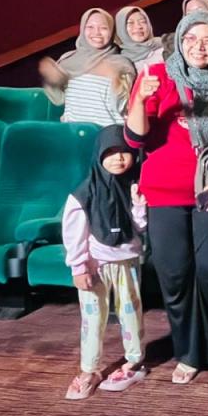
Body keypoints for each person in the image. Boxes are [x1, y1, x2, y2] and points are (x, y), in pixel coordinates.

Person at [124, 9, 208, 384]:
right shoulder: (157, 76)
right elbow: (135, 139)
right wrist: (140, 99)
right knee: (175, 274)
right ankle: (189, 352)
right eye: (191, 39)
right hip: (164, 191)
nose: (199, 46)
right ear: (179, 42)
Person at [62, 125, 149, 400]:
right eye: (110, 153)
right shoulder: (83, 193)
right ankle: (89, 369)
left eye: (124, 152)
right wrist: (78, 267)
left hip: (127, 261)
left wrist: (139, 205)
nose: (118, 158)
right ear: (99, 155)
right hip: (96, 265)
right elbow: (75, 233)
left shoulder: (135, 185)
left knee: (131, 312)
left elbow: (140, 227)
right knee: (93, 318)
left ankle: (134, 361)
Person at [41, 8, 136, 126]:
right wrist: (52, 81)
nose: (97, 32)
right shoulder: (69, 60)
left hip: (109, 130)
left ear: (112, 31)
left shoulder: (121, 64)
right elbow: (58, 99)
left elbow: (126, 106)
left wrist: (116, 84)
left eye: (103, 28)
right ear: (82, 29)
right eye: (90, 27)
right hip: (73, 130)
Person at [116, 6, 164, 72]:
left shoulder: (165, 47)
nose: (138, 26)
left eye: (143, 22)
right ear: (121, 28)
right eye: (130, 23)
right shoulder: (120, 63)